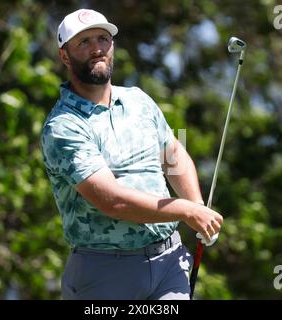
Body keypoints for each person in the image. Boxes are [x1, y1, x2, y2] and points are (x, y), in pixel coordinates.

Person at [41, 8, 223, 300]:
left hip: (169, 263)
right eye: (84, 42)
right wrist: (187, 211)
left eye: (103, 38)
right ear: (65, 55)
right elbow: (113, 201)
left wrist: (197, 205)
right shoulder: (63, 126)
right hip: (104, 274)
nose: (97, 48)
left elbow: (172, 154)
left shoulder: (139, 100)